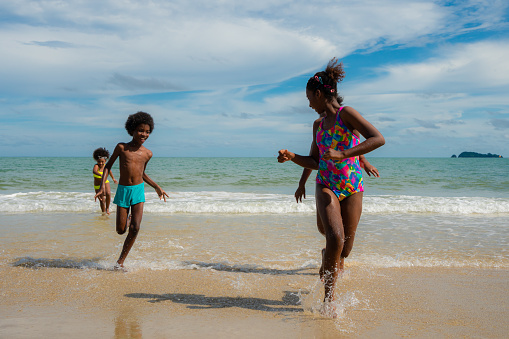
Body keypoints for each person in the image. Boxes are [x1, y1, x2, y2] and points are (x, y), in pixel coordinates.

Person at [278, 58, 385, 303]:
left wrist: (344, 154)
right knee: (335, 236)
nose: (308, 105)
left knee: (344, 249)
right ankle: (329, 300)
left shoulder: (347, 115)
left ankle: (330, 255)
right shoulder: (317, 125)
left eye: (309, 99)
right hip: (326, 184)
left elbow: (378, 138)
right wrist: (292, 157)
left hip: (352, 186)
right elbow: (315, 161)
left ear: (318, 93)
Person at [94, 111, 169, 269]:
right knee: (121, 231)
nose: (144, 134)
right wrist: (101, 187)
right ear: (132, 130)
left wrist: (157, 187)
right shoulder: (122, 147)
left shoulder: (148, 153)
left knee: (135, 228)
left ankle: (120, 262)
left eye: (148, 131)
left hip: (138, 191)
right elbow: (108, 166)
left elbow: (142, 174)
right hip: (123, 190)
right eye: (141, 130)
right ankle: (127, 220)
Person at [92, 147, 118, 215]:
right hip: (97, 185)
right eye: (99, 161)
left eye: (102, 162)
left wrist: (113, 179)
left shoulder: (105, 166)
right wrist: (100, 175)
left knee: (108, 193)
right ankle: (103, 212)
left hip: (105, 182)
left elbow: (109, 172)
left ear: (105, 161)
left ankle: (107, 208)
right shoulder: (96, 166)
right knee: (101, 200)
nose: (100, 163)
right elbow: (94, 171)